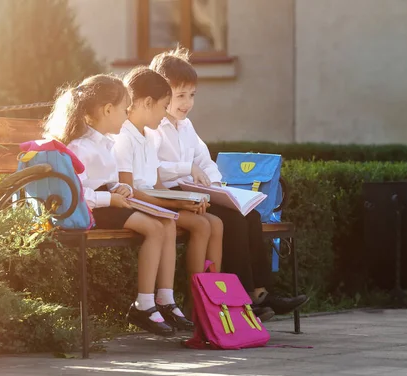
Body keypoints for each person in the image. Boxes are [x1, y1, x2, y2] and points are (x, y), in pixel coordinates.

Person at [149, 46, 308, 321]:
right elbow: (154, 171)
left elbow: (205, 160)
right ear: (163, 96)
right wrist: (188, 169)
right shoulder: (153, 127)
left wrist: (215, 184)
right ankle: (242, 296)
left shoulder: (186, 127)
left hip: (197, 195)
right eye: (180, 96)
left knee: (250, 214)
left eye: (192, 95)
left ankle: (259, 291)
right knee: (232, 222)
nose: (187, 103)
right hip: (172, 195)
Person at [44, 74, 181, 335]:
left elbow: (110, 182)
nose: (127, 114)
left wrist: (122, 189)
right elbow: (78, 194)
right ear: (108, 110)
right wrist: (111, 197)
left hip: (108, 204)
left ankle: (163, 299)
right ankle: (144, 304)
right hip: (92, 210)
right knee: (154, 228)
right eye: (124, 109)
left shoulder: (104, 143)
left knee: (165, 222)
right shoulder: (82, 147)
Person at [112, 66, 223, 324]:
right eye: (164, 106)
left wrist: (182, 201)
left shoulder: (148, 136)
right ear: (148, 103)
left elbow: (158, 183)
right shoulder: (124, 137)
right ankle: (168, 303)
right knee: (180, 223)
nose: (165, 113)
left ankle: (172, 300)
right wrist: (173, 203)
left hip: (151, 201)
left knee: (194, 222)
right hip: (135, 202)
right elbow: (130, 191)